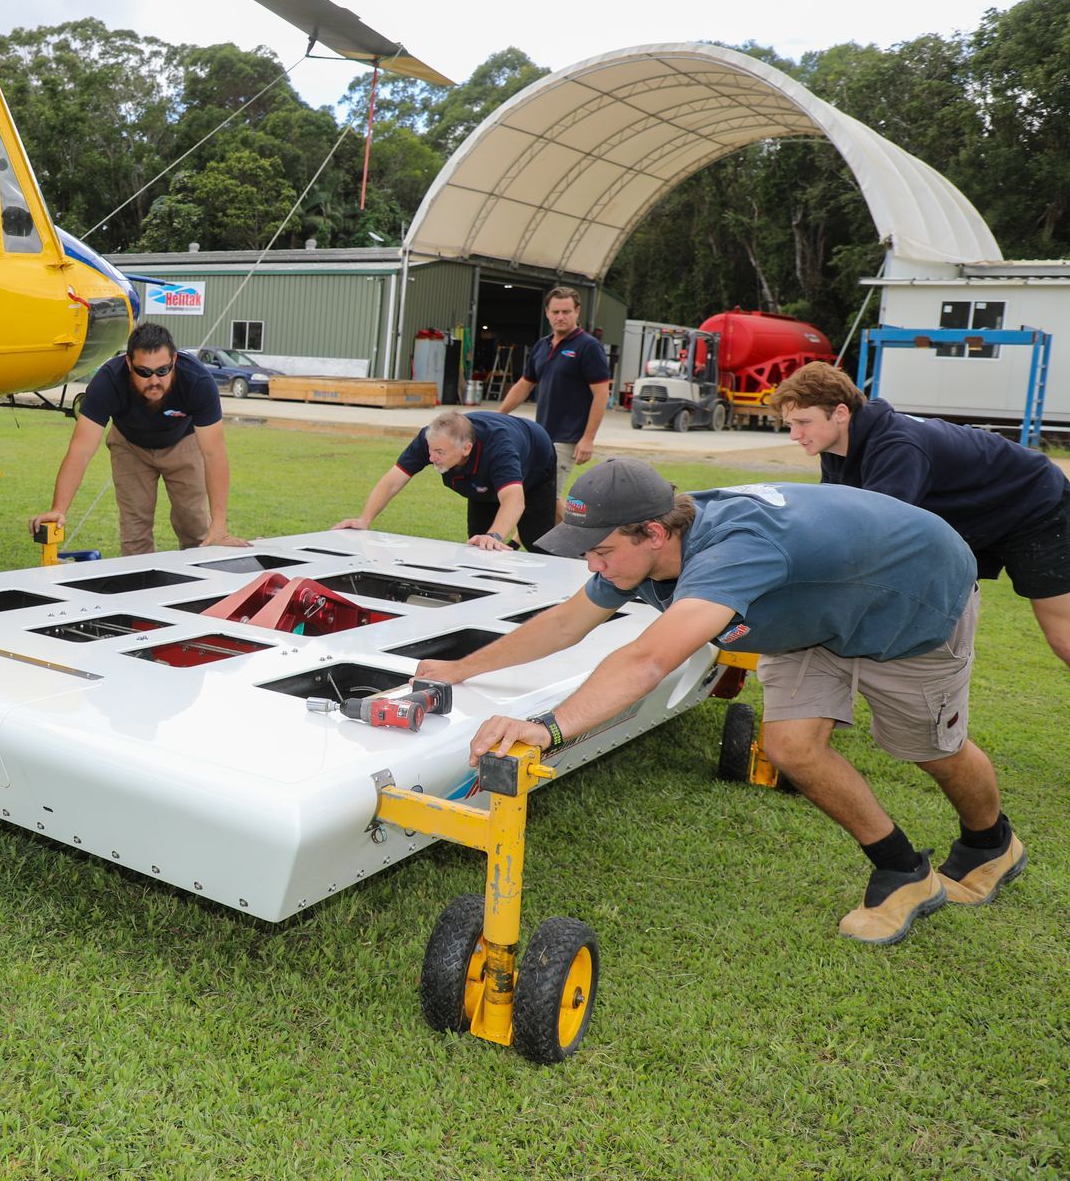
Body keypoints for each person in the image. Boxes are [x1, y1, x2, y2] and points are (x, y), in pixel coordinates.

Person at [413, 458, 1023, 946]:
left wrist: (548, 727)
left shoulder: (735, 551)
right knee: (791, 749)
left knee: (929, 749)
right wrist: (462, 668)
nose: (591, 566)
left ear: (653, 532)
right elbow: (567, 623)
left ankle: (990, 844)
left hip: (911, 600)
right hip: (811, 610)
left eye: (599, 552)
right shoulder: (645, 546)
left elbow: (651, 659)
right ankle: (902, 871)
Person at [772, 361, 1070, 671]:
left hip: (1035, 502)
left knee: (1063, 636)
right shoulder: (835, 447)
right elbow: (833, 520)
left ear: (841, 413)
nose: (795, 434)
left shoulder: (897, 446)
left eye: (803, 422)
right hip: (979, 514)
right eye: (790, 424)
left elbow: (874, 539)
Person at [29, 322, 245, 555]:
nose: (154, 380)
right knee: (135, 532)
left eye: (163, 370)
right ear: (129, 363)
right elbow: (80, 451)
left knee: (195, 526)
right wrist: (59, 508)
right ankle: (140, 586)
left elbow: (214, 454)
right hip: (130, 447)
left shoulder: (198, 381)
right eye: (144, 372)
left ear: (174, 361)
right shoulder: (108, 381)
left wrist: (220, 526)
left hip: (183, 443)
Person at [333, 409, 557, 551]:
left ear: (466, 448)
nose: (432, 458)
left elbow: (514, 500)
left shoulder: (500, 449)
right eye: (431, 451)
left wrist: (495, 535)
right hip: (481, 482)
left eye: (439, 453)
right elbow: (393, 480)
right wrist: (364, 519)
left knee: (535, 541)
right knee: (478, 543)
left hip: (535, 461)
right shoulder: (431, 439)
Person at [496, 286, 611, 498]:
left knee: (547, 498)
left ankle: (577, 532)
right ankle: (521, 534)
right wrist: (498, 416)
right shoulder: (542, 346)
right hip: (541, 436)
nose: (560, 317)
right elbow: (524, 385)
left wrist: (588, 438)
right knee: (534, 494)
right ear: (547, 313)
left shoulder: (588, 347)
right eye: (555, 312)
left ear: (577, 311)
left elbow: (602, 394)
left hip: (567, 438)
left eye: (566, 312)